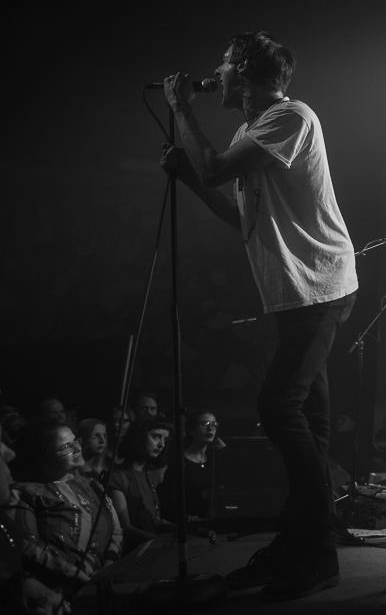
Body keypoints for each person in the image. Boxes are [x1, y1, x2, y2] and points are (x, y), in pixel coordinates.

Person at [160, 31, 358, 601]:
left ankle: (317, 550)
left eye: (223, 64)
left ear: (244, 72)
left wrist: (180, 110)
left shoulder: (291, 117)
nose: (215, 73)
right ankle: (299, 545)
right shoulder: (249, 133)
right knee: (309, 423)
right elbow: (238, 213)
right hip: (294, 293)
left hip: (320, 286)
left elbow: (215, 168)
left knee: (278, 406)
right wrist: (189, 178)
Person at [2, 420, 122, 592]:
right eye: (66, 447)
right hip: (59, 592)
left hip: (104, 583)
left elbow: (116, 528)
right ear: (43, 458)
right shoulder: (25, 493)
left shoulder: (92, 485)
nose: (77, 448)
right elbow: (27, 543)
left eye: (75, 441)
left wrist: (109, 564)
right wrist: (76, 573)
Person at [106, 418, 176, 552]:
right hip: (130, 554)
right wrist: (160, 542)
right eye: (156, 437)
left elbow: (153, 519)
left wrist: (182, 528)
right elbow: (125, 528)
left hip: (149, 551)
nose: (161, 444)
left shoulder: (146, 473)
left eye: (165, 439)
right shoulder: (117, 477)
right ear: (139, 437)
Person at [158, 411, 222, 523]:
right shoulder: (179, 461)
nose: (210, 428)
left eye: (213, 424)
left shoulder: (214, 460)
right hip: (187, 523)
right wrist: (203, 495)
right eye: (204, 424)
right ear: (192, 430)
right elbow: (170, 501)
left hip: (212, 521)